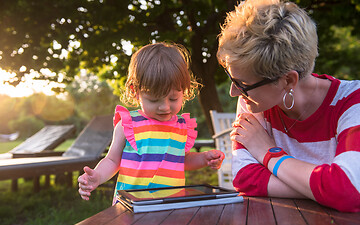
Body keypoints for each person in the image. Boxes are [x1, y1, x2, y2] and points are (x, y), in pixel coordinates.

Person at [217, 0, 360, 212]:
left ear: (288, 81)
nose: (234, 92)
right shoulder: (254, 102)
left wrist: (268, 153)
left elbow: (347, 190)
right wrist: (322, 187)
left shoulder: (352, 101)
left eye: (242, 84)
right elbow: (244, 178)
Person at [78, 42, 225, 204]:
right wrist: (98, 176)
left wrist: (204, 158)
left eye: (173, 98)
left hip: (170, 205)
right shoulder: (128, 124)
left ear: (184, 90)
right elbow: (112, 160)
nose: (165, 107)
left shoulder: (182, 127)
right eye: (154, 100)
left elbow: (182, 160)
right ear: (136, 92)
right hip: (131, 206)